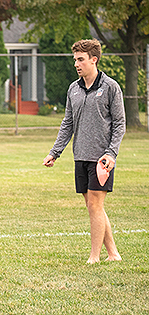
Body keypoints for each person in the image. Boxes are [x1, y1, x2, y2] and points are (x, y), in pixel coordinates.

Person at [43, 39, 125, 264]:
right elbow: (67, 123)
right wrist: (55, 152)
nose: (76, 64)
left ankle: (94, 257)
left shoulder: (110, 87)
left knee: (95, 206)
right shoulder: (73, 89)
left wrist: (111, 154)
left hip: (101, 159)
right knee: (93, 206)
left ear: (93, 60)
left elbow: (119, 124)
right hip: (80, 156)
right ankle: (113, 254)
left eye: (81, 59)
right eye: (75, 60)